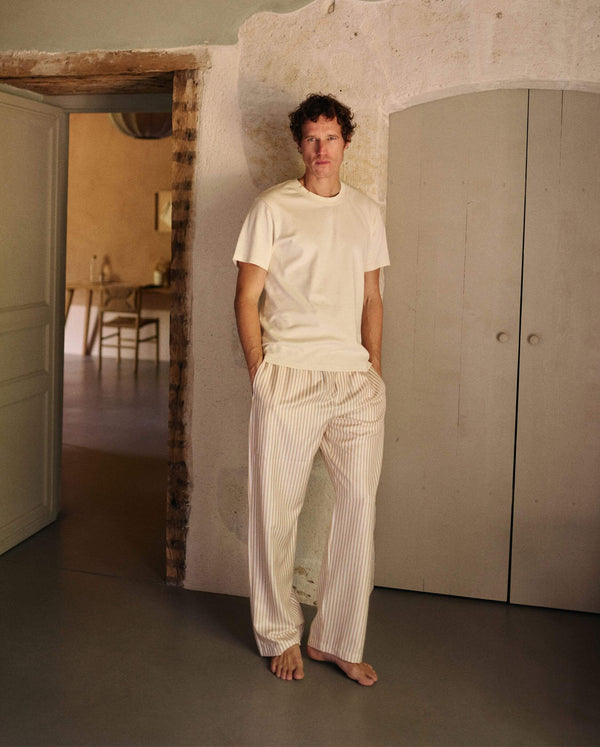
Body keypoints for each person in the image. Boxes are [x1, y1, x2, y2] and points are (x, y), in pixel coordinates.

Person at [233, 93, 389, 686]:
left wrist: (374, 370)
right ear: (300, 145)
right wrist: (260, 371)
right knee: (277, 511)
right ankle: (280, 635)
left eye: (331, 138)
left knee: (358, 511)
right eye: (311, 139)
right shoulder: (272, 208)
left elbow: (372, 297)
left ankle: (337, 640)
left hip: (354, 382)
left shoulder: (366, 212)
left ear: (346, 142)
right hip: (289, 375)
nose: (322, 149)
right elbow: (247, 297)